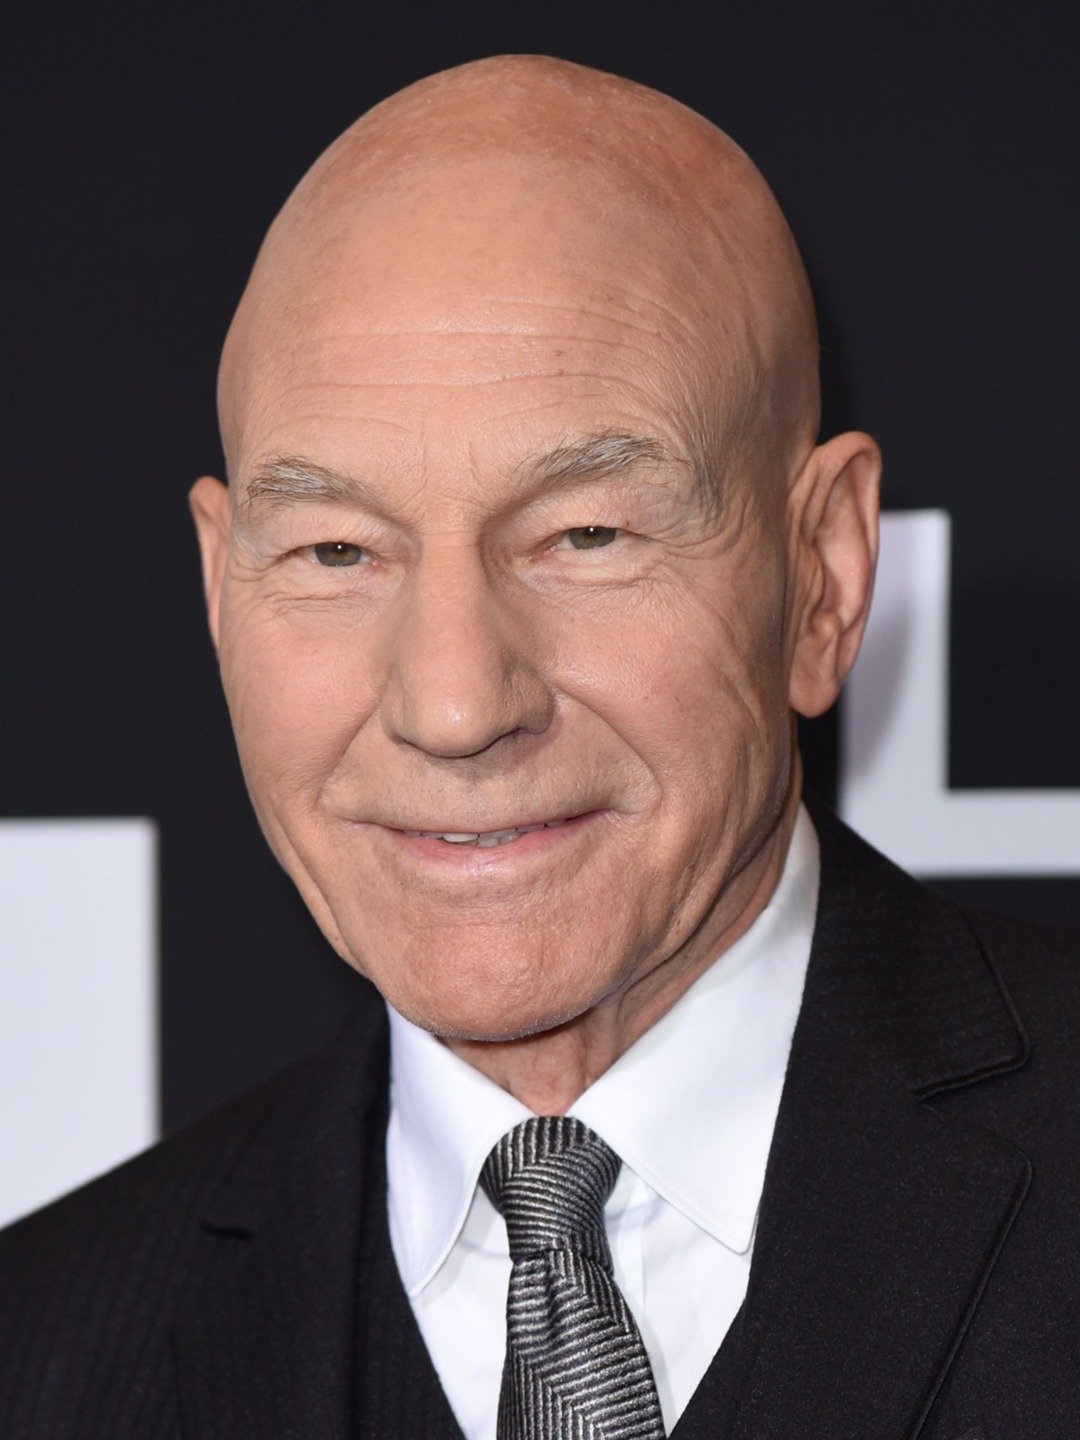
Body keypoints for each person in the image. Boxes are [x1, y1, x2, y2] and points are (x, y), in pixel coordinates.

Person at [1, 53, 1077, 1440]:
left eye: (587, 534)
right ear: (220, 589)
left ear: (822, 576)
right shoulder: (42, 1360)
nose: (455, 706)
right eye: (335, 551)